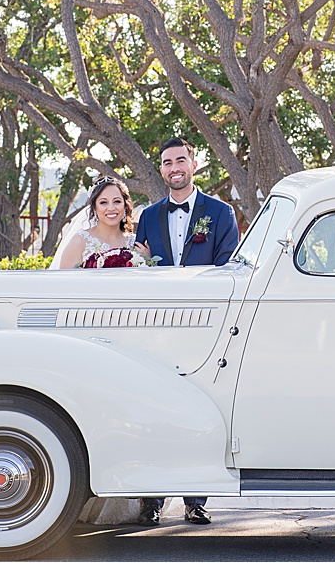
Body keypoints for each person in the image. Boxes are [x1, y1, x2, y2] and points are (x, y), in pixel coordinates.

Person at [132, 137, 240, 527]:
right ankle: (152, 500)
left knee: (201, 408)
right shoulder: (148, 216)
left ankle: (196, 499)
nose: (174, 167)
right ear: (161, 170)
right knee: (152, 409)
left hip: (205, 326)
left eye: (181, 159)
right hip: (156, 327)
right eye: (166, 162)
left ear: (194, 163)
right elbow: (140, 268)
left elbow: (228, 267)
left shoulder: (221, 212)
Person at [56, 177, 153, 269]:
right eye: (103, 202)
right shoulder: (80, 241)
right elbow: (65, 283)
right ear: (94, 208)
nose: (111, 208)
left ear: (125, 206)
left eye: (117, 201)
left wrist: (147, 261)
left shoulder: (136, 243)